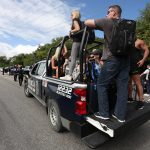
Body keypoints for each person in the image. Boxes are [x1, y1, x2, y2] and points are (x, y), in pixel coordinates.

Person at [85, 5, 129, 123]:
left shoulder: (107, 21)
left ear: (114, 13)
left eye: (108, 12)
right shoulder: (128, 25)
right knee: (122, 88)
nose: (106, 14)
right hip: (125, 60)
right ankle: (120, 116)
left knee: (101, 85)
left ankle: (104, 114)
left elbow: (88, 22)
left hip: (112, 59)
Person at [60, 10, 82, 81]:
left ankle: (69, 76)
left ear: (75, 15)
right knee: (76, 59)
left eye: (71, 14)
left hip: (76, 42)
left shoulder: (75, 20)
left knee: (73, 59)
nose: (70, 16)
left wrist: (70, 31)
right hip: (79, 42)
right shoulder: (80, 21)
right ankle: (74, 75)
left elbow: (77, 28)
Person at [128, 39, 149, 109]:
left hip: (135, 65)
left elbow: (147, 50)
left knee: (138, 83)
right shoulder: (126, 40)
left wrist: (143, 60)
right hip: (126, 65)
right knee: (129, 82)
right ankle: (130, 97)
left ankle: (141, 101)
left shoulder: (138, 41)